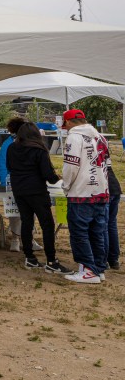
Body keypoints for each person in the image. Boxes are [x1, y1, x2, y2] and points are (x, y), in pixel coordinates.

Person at [6, 122, 74, 274]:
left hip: (19, 190)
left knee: (26, 222)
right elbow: (48, 175)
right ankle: (51, 261)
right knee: (47, 225)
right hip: (36, 190)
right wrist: (57, 178)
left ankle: (29, 258)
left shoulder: (12, 148)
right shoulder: (39, 149)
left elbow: (9, 167)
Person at [61, 108, 110, 284]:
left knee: (80, 232)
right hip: (101, 191)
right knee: (97, 232)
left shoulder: (74, 137)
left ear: (67, 122)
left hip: (81, 192)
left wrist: (66, 186)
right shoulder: (100, 136)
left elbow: (71, 166)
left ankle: (88, 270)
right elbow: (107, 164)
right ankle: (98, 268)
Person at [0, 116, 42, 252]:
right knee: (15, 213)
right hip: (13, 184)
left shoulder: (33, 143)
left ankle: (28, 239)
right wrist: (7, 182)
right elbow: (2, 165)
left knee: (30, 213)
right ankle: (15, 239)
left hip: (30, 185)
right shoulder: (8, 144)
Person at [107, 165, 121, 271]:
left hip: (105, 190)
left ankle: (103, 259)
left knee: (101, 225)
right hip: (114, 188)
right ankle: (113, 259)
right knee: (111, 224)